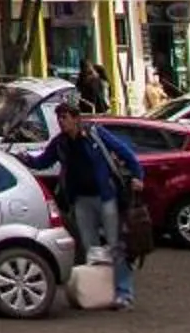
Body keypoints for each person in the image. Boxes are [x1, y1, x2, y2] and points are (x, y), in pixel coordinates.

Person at [51, 101, 145, 309]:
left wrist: (138, 176)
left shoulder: (94, 134)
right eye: (59, 118)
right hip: (81, 200)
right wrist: (19, 158)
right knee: (91, 249)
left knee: (116, 245)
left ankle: (123, 293)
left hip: (105, 197)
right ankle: (99, 292)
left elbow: (124, 152)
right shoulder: (61, 143)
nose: (61, 122)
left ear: (76, 118)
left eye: (65, 118)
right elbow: (43, 160)